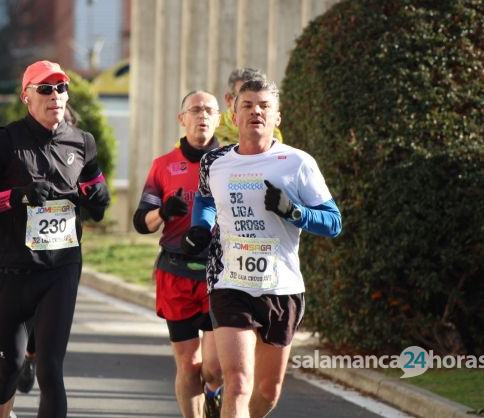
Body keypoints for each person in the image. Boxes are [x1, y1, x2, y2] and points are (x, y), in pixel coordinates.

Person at [0, 60, 110, 418]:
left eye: (61, 87)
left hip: (61, 269)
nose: (55, 95)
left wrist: (98, 200)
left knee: (50, 369)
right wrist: (16, 196)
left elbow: (95, 188)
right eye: (45, 88)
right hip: (11, 270)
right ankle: (1, 412)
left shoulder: (82, 142)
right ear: (27, 97)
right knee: (7, 369)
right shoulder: (6, 141)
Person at [181, 79, 341, 418]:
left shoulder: (297, 163)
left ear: (277, 117)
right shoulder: (216, 163)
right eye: (248, 105)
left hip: (281, 288)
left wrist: (293, 211)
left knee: (267, 393)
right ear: (234, 116)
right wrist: (199, 227)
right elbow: (207, 200)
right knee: (238, 383)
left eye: (264, 106)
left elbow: (333, 222)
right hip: (231, 284)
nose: (256, 111)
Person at [133, 91, 224, 418]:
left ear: (218, 118)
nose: (202, 116)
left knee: (214, 367)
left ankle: (214, 393)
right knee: (189, 364)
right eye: (195, 110)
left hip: (220, 276)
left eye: (209, 110)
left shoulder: (230, 161)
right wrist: (164, 214)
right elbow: (141, 223)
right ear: (181, 119)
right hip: (176, 273)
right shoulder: (163, 166)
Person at [16, 104, 80, 395]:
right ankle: (27, 356)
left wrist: (95, 198)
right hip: (27, 254)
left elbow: (93, 197)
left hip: (64, 254)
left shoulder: (79, 151)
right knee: (30, 316)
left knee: (49, 319)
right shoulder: (26, 149)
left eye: (66, 121)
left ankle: (36, 360)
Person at [214, 67, 283, 146]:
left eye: (263, 105)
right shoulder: (212, 129)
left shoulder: (274, 134)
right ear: (229, 99)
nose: (255, 110)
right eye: (244, 98)